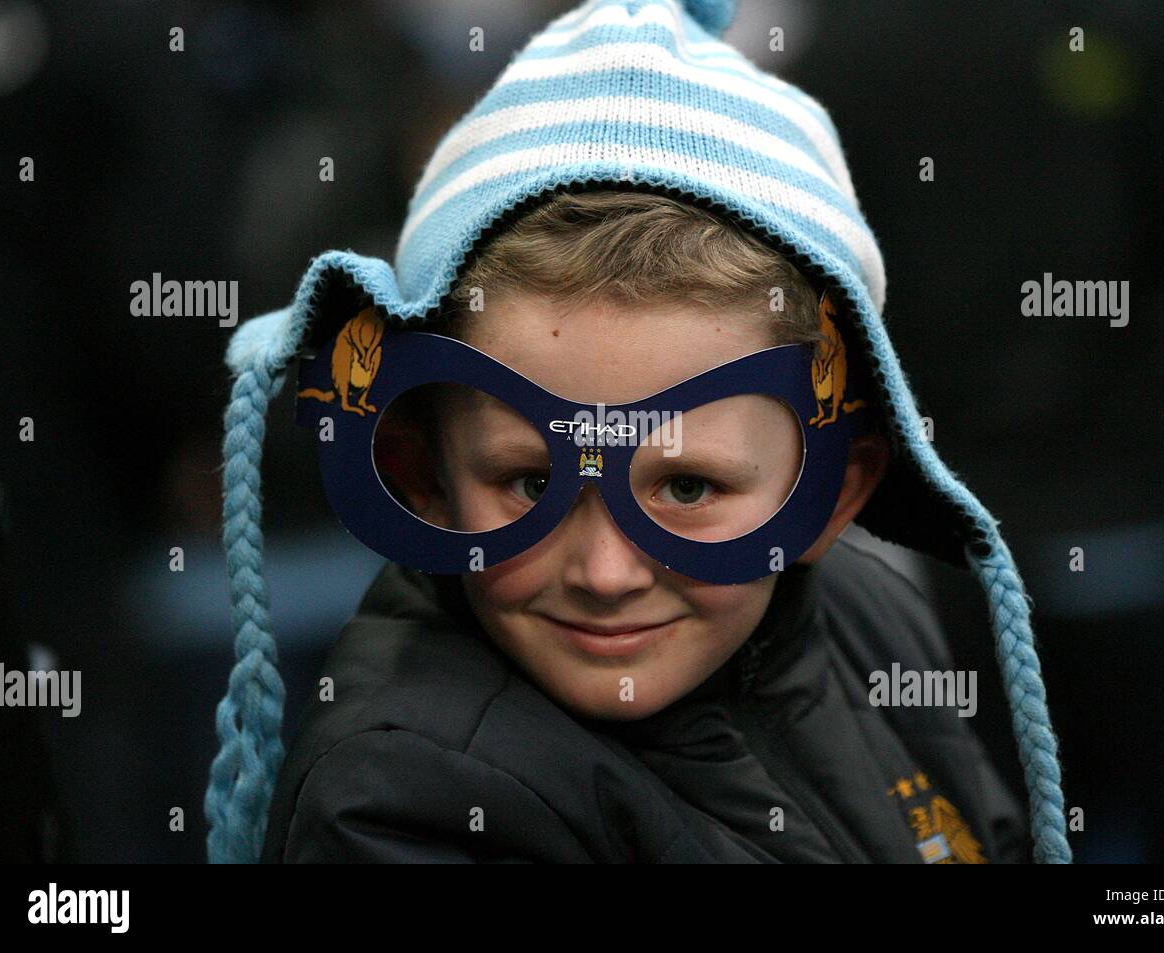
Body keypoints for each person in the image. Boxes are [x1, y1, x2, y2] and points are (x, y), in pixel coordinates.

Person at [204, 0, 1070, 864]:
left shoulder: (866, 614)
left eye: (688, 486)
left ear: (831, 490)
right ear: (424, 474)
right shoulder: (406, 797)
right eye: (530, 483)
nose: (606, 573)